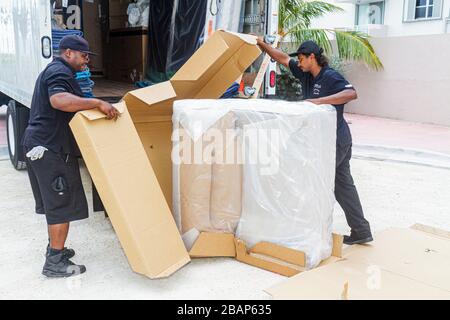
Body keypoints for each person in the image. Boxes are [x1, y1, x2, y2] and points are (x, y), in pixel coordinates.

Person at [256, 38, 373, 245]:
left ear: (312, 57)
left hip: (336, 141)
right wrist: (260, 44)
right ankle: (361, 230)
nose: (298, 63)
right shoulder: (305, 74)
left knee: (315, 182)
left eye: (301, 58)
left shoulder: (329, 77)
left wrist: (319, 102)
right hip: (329, 140)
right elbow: (282, 58)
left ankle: (312, 232)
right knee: (342, 186)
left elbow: (351, 93)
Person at [22, 35, 120, 277]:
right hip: (49, 149)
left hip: (43, 145)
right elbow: (58, 100)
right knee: (60, 204)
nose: (87, 61)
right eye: (84, 55)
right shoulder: (60, 72)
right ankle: (54, 262)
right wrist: (96, 102)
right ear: (68, 53)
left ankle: (56, 249)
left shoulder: (57, 70)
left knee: (57, 203)